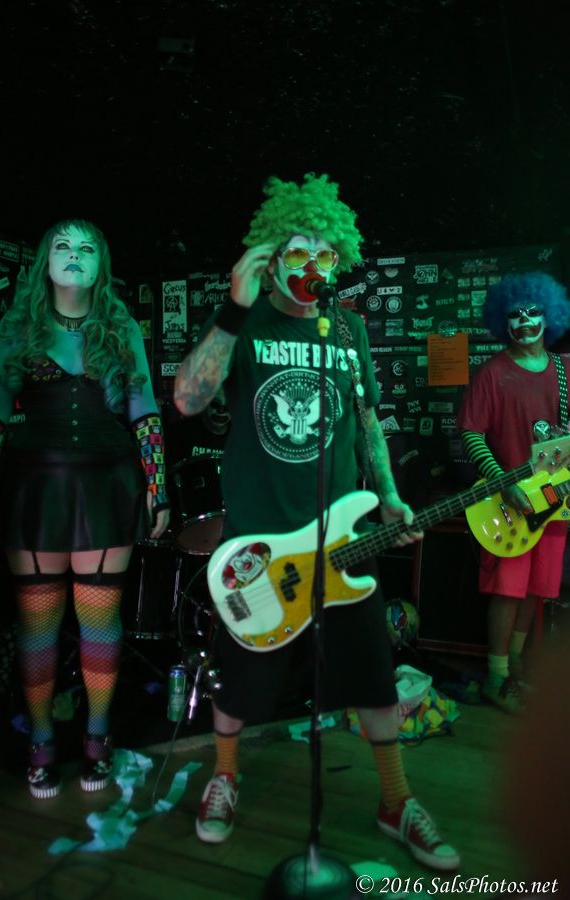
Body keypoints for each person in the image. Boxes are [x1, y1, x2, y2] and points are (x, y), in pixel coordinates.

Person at [174, 173, 460, 870]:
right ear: (271, 256)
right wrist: (234, 308)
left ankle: (396, 801)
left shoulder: (349, 329)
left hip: (344, 541)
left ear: (339, 260)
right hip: (259, 543)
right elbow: (187, 399)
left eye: (324, 253)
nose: (312, 265)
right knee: (241, 681)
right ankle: (225, 778)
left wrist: (388, 495)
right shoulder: (244, 324)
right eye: (297, 250)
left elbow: (366, 421)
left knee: (373, 676)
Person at [0, 219, 170, 798]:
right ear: (46, 262)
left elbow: (144, 411)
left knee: (99, 622)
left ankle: (97, 739)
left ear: (101, 264)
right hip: (35, 485)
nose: (74, 254)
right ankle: (40, 742)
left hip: (108, 483)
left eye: (86, 247)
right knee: (37, 625)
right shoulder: (18, 325)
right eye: (63, 245)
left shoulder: (121, 326)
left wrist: (158, 484)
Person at [457, 272, 570, 713]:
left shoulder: (565, 370)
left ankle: (515, 665)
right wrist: (503, 484)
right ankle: (497, 676)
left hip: (556, 502)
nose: (524, 322)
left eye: (533, 312)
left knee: (537, 588)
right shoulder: (492, 373)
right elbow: (471, 433)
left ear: (549, 315)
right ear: (502, 322)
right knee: (508, 588)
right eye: (514, 314)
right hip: (510, 503)